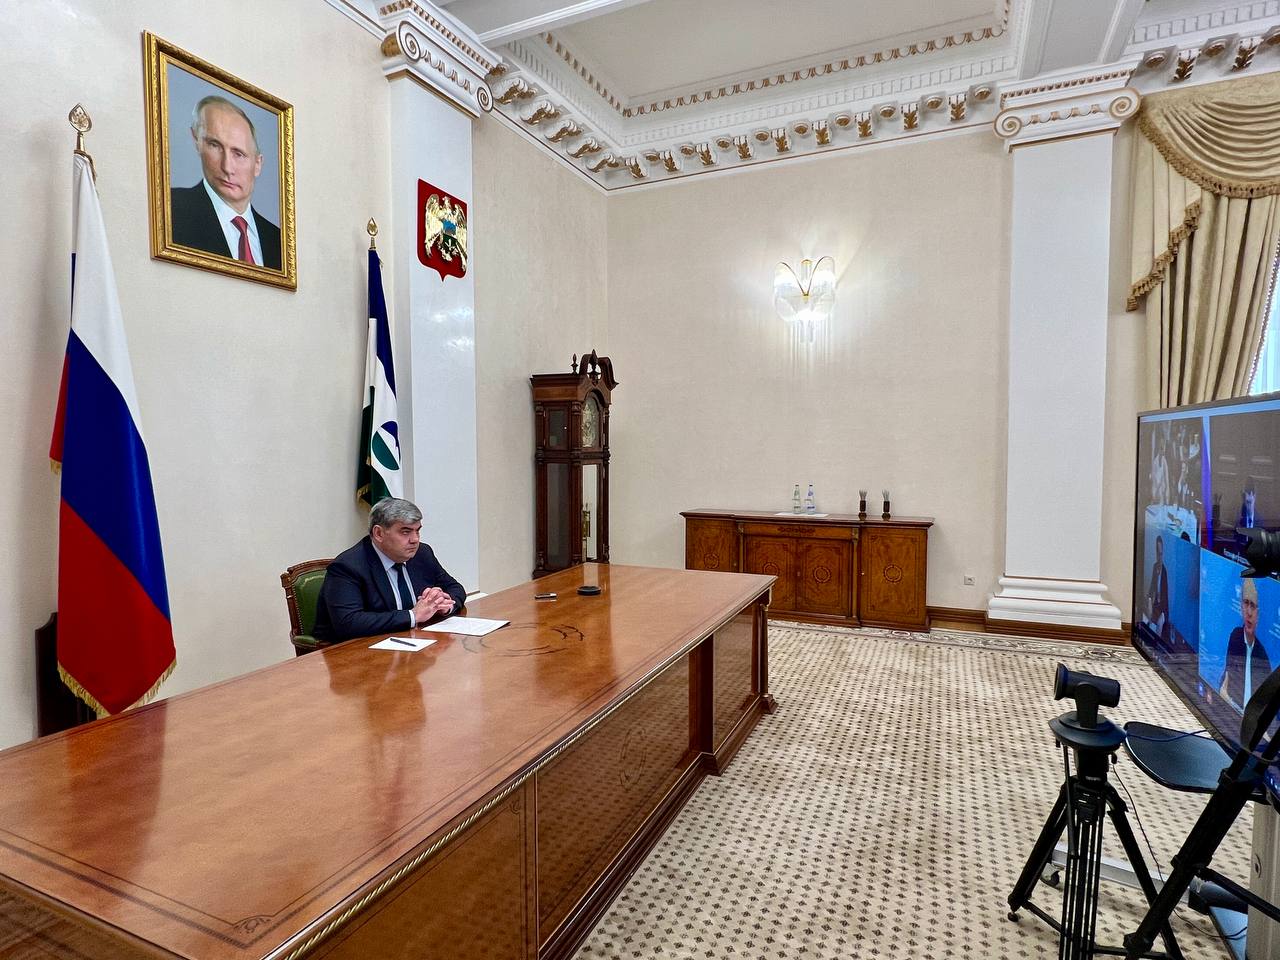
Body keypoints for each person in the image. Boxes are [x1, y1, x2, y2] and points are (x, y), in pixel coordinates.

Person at [313, 497, 466, 644]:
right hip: (357, 651)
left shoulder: (422, 554)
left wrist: (443, 605)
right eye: (405, 532)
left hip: (413, 642)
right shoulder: (348, 566)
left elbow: (455, 588)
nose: (415, 539)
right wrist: (413, 616)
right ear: (379, 533)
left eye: (417, 531)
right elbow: (348, 622)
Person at [170, 95, 281, 269]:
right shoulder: (171, 209)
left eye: (239, 154)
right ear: (197, 141)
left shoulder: (277, 240)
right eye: (215, 145)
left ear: (257, 164)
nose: (227, 167)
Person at [1220, 578, 1272, 710]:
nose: (1249, 612)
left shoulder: (1263, 657)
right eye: (1246, 603)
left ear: (1258, 614)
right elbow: (1227, 677)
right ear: (1241, 607)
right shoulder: (1235, 637)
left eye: (1253, 606)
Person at [1145, 535, 1170, 641]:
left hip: (1161, 610)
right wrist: (1148, 599)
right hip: (1154, 605)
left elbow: (1165, 597)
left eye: (1161, 554)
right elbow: (1152, 587)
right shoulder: (1155, 566)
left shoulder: (1164, 571)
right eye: (1157, 553)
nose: (1159, 557)